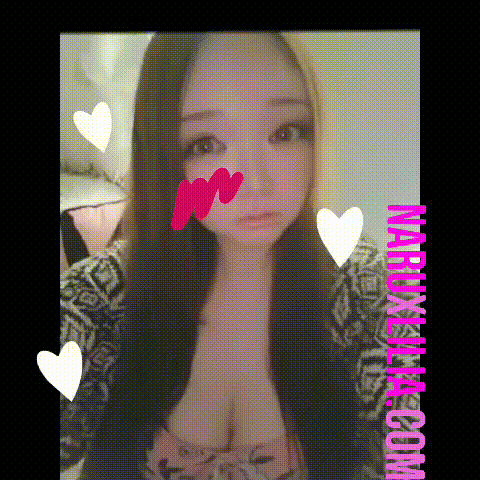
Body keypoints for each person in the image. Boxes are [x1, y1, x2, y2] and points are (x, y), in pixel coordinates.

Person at [60, 32, 421, 480]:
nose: (254, 181)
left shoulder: (372, 294)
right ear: (165, 157)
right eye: (206, 143)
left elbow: (408, 449)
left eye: (284, 132)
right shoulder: (101, 299)